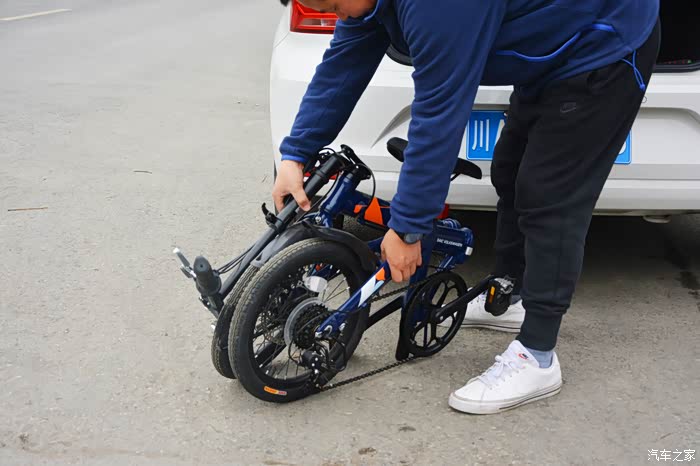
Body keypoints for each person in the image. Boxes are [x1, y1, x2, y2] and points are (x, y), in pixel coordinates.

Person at [272, 0, 660, 414]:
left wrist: (408, 228)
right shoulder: (364, 5)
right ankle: (510, 295)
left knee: (549, 197)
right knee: (510, 171)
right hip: (553, 47)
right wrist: (296, 154)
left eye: (334, 5)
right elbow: (343, 66)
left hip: (604, 43)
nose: (338, 17)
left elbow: (439, 114)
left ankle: (538, 356)